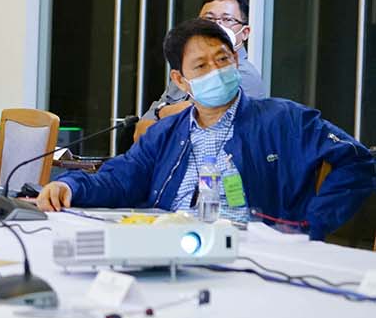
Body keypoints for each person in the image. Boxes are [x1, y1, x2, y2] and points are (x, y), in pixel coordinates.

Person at [39, 17, 376, 239]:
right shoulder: (166, 133)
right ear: (180, 80)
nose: (216, 70)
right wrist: (70, 187)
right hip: (171, 246)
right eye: (201, 65)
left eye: (223, 59)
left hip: (250, 252)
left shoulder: (283, 119)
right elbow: (121, 176)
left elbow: (358, 162)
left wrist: (311, 226)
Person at [141, 0, 266, 127]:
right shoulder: (186, 70)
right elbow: (141, 132)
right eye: (209, 19)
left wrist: (162, 112)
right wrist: (164, 112)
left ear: (245, 33)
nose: (216, 26)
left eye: (227, 19)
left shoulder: (241, 74)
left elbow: (205, 124)